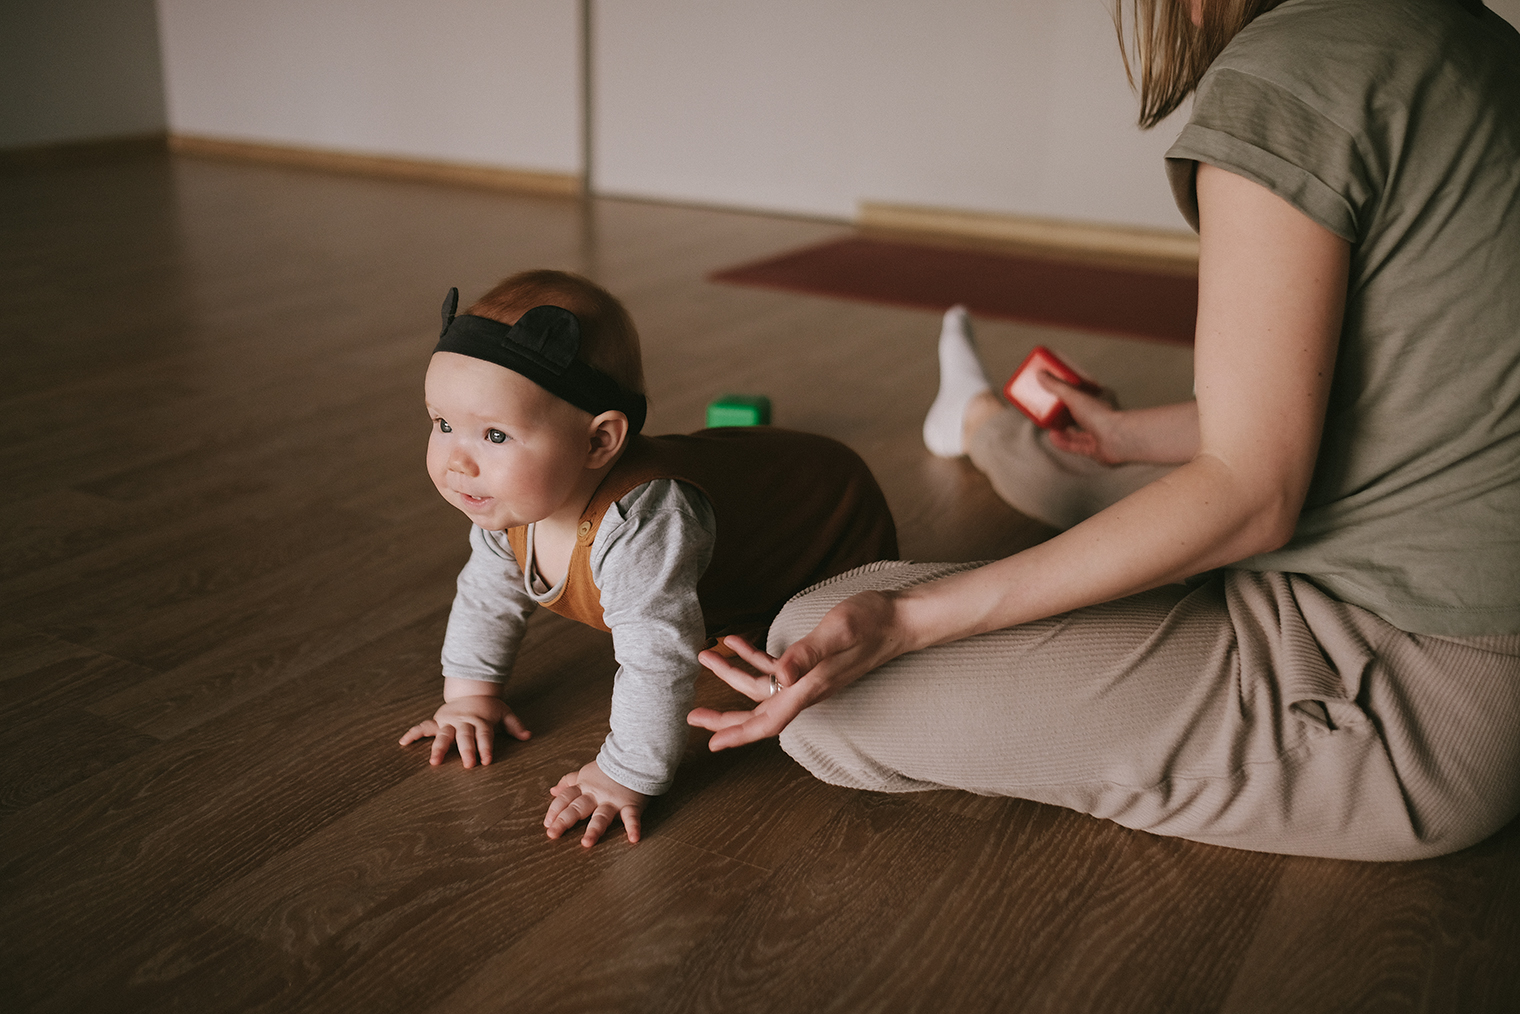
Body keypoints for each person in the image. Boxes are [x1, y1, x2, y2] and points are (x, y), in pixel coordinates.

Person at [690, 0, 1520, 861]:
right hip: (1423, 585)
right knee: (1078, 470)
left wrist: (908, 619)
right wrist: (1123, 434)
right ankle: (978, 419)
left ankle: (978, 426)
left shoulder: (1291, 67)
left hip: (1408, 693)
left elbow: (1249, 493)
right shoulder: (1472, 35)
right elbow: (1379, 396)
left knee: (811, 656)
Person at [400, 270, 897, 847]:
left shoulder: (639, 523)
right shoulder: (506, 503)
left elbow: (658, 659)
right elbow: (486, 595)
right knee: (736, 652)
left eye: (494, 436)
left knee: (799, 668)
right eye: (442, 424)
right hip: (743, 533)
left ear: (598, 442)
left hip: (824, 533)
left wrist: (626, 773)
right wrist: (468, 698)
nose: (457, 462)